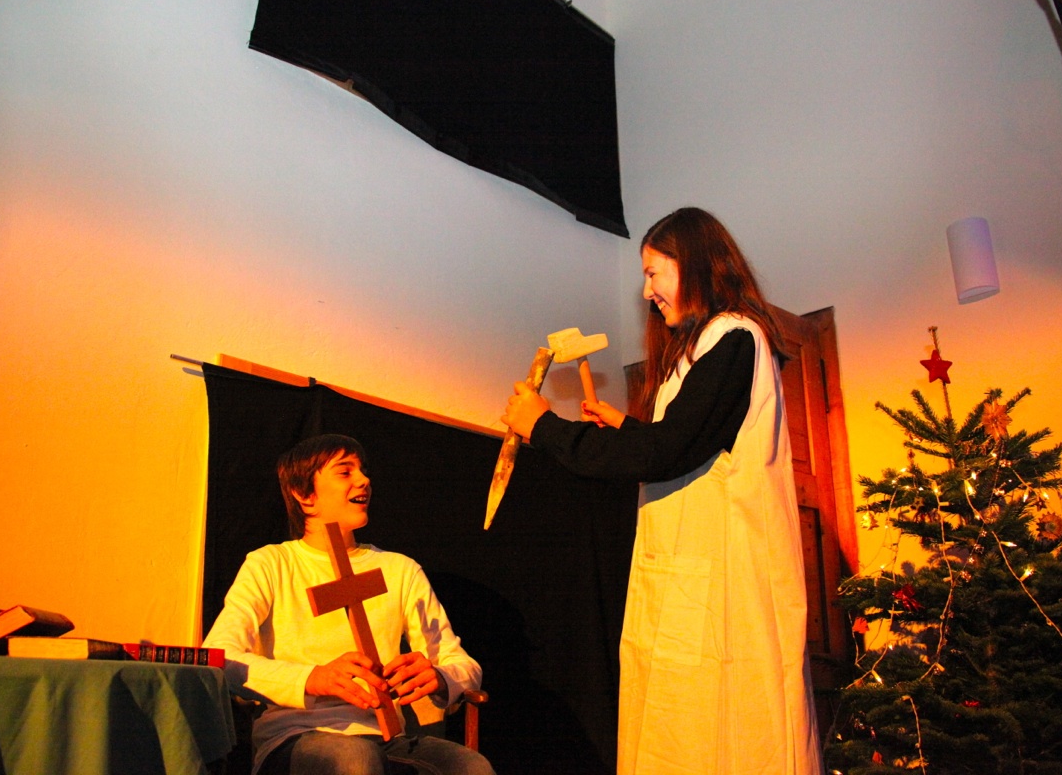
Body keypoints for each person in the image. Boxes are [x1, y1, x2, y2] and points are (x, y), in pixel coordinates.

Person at [502, 207, 822, 775]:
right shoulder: (701, 350)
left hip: (724, 586)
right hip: (692, 581)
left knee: (725, 735)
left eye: (654, 272)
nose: (647, 291)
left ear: (693, 263)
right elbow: (690, 447)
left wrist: (544, 426)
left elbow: (667, 452)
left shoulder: (734, 338)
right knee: (682, 732)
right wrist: (629, 429)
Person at [204, 434, 495, 775]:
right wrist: (311, 678)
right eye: (345, 472)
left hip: (386, 738)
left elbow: (463, 664)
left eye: (363, 470)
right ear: (304, 495)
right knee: (355, 760)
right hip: (296, 736)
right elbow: (218, 657)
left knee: (471, 766)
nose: (364, 480)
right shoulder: (271, 564)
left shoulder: (399, 569)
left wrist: (441, 677)